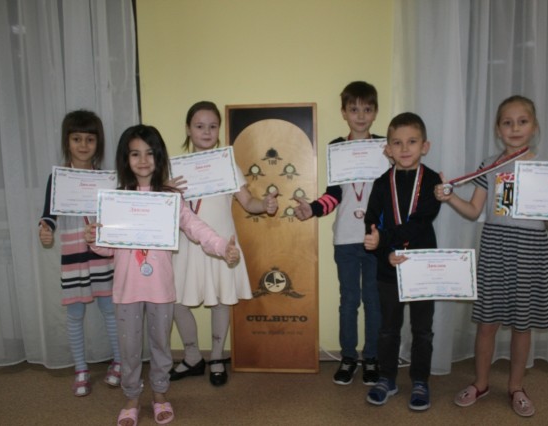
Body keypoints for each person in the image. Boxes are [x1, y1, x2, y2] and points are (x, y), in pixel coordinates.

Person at [85, 124, 241, 426]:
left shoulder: (171, 198)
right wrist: (93, 238)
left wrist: (223, 246)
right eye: (135, 154)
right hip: (127, 290)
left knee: (161, 347)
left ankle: (159, 395)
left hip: (160, 288)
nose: (143, 160)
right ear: (125, 159)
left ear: (159, 157)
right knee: (130, 350)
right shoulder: (117, 198)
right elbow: (107, 248)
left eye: (150, 153)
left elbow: (195, 227)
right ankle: (132, 398)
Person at [434, 95, 548, 417]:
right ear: (498, 129)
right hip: (495, 247)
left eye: (522, 121)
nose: (515, 128)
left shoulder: (544, 169)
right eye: (507, 123)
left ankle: (516, 387)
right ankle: (481, 383)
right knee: (487, 323)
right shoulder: (489, 164)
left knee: (522, 326)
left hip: (530, 250)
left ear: (534, 126)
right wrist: (450, 197)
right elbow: (474, 210)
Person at [169, 101, 278, 387]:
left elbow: (248, 202)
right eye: (199, 126)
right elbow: (164, 209)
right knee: (176, 301)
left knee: (220, 300)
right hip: (186, 245)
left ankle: (217, 357)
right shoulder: (173, 169)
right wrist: (166, 191)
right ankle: (192, 356)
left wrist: (265, 205)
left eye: (213, 126)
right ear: (188, 129)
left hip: (222, 245)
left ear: (219, 129)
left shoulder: (228, 164)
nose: (206, 132)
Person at [293, 81, 382, 386]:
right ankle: (348, 357)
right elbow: (334, 194)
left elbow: (391, 192)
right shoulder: (337, 147)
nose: (361, 115)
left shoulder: (385, 147)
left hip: (376, 239)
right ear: (344, 112)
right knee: (349, 301)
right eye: (354, 109)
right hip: (345, 239)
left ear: (375, 112)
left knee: (374, 301)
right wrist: (312, 209)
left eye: (367, 109)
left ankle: (372, 357)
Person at [39, 110, 121, 397]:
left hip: (102, 254)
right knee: (75, 312)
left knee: (110, 309)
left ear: (98, 143)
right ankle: (81, 369)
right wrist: (45, 229)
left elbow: (116, 216)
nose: (83, 145)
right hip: (73, 255)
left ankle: (119, 362)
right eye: (76, 139)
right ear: (67, 141)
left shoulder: (107, 179)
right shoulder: (57, 179)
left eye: (90, 139)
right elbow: (48, 216)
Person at [363, 112, 441, 411]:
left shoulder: (432, 181)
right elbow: (372, 222)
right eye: (397, 143)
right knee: (388, 328)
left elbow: (420, 222)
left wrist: (385, 239)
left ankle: (420, 380)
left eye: (412, 141)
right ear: (388, 149)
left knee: (422, 329)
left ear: (425, 146)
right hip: (389, 267)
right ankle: (387, 378)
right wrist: (383, 252)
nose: (405, 148)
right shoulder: (381, 183)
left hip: (422, 265)